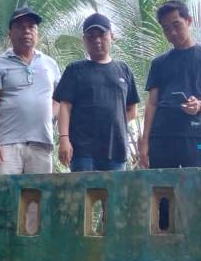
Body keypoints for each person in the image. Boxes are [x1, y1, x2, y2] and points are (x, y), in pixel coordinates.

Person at [139, 0, 201, 169]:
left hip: (195, 135)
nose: (172, 32)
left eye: (176, 25)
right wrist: (145, 142)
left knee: (198, 190)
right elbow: (152, 103)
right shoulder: (159, 63)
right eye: (166, 29)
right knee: (162, 192)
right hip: (161, 137)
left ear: (189, 21)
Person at [54, 13, 140, 171]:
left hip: (116, 151)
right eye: (91, 36)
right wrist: (64, 139)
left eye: (102, 35)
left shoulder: (124, 70)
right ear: (84, 40)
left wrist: (111, 125)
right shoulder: (75, 70)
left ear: (112, 36)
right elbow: (64, 107)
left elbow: (132, 110)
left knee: (115, 195)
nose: (97, 40)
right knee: (82, 195)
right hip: (82, 151)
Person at [0, 7, 61, 175]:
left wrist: (48, 113)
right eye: (20, 27)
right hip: (6, 145)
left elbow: (59, 99)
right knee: (5, 197)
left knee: (37, 199)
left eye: (31, 27)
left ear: (37, 33)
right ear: (10, 33)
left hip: (42, 144)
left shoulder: (49, 64)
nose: (26, 31)